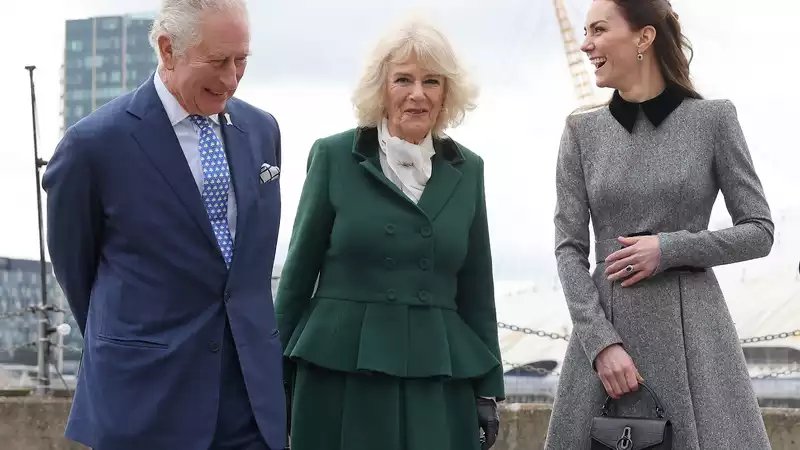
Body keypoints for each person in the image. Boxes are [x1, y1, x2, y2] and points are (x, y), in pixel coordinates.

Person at [42, 1, 286, 449]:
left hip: (250, 405)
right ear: (168, 50)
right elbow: (78, 275)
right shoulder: (92, 147)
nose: (231, 78)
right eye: (217, 61)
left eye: (241, 60)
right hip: (145, 405)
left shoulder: (262, 130)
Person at [544, 0, 775, 449]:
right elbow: (568, 249)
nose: (585, 44)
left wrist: (669, 249)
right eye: (584, 31)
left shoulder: (713, 120)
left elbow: (759, 230)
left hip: (697, 340)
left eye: (598, 29)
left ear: (644, 37)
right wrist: (600, 344)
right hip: (608, 340)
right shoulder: (580, 133)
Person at [274, 19, 503, 450]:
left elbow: (477, 287)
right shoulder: (333, 156)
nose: (418, 94)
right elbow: (297, 280)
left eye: (431, 81)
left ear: (446, 93)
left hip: (437, 378)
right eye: (403, 79)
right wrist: (275, 383)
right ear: (382, 88)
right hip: (340, 377)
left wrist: (488, 390)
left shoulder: (469, 169)